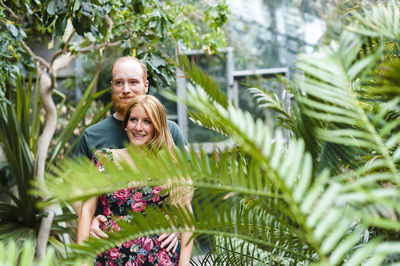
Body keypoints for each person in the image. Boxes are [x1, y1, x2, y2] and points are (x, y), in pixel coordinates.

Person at [73, 56, 186, 252]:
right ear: (112, 87)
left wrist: (176, 220)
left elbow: (187, 188)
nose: (126, 89)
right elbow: (74, 190)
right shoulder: (92, 136)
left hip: (160, 249)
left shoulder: (170, 131)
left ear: (145, 86)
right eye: (119, 83)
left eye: (133, 82)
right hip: (109, 246)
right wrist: (89, 219)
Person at [77, 95, 193, 265]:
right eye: (133, 120)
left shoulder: (170, 164)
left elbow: (187, 220)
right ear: (125, 124)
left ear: (157, 126)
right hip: (109, 258)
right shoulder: (104, 159)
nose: (138, 127)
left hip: (157, 260)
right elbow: (87, 210)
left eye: (147, 121)